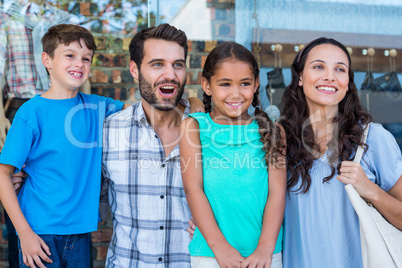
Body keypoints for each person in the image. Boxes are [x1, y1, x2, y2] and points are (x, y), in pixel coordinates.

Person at [0, 24, 130, 268]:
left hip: (80, 233)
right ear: (47, 60)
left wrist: (193, 101)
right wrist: (24, 234)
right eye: (70, 56)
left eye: (86, 59)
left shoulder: (98, 106)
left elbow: (141, 112)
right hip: (38, 231)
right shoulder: (31, 112)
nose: (79, 64)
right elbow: (3, 175)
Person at [279, 37, 402, 268]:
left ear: (347, 82)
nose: (329, 76)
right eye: (318, 67)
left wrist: (372, 191)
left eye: (340, 69)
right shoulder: (282, 142)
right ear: (300, 79)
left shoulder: (372, 139)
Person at [101, 23, 204, 267]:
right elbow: (87, 200)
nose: (170, 74)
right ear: (134, 70)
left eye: (177, 64)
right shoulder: (108, 132)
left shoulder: (210, 130)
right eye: (158, 64)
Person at [179, 41, 286, 268]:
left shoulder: (273, 129)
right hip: (211, 253)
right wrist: (221, 248)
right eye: (225, 84)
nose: (235, 94)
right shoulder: (194, 127)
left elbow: (277, 192)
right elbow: (193, 189)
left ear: (256, 84)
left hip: (265, 254)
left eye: (244, 84)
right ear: (207, 85)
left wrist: (266, 248)